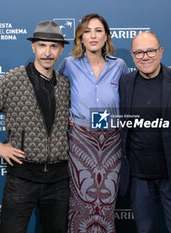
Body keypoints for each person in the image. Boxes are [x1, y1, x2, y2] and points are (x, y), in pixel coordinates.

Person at [0, 21, 71, 233]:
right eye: (42, 45)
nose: (48, 52)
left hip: (58, 180)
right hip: (22, 178)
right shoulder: (14, 79)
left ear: (61, 49)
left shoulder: (64, 84)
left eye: (53, 46)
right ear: (33, 47)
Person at [119, 31, 171, 233]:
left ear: (161, 52)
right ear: (132, 55)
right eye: (139, 52)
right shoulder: (125, 82)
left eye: (150, 51)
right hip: (138, 177)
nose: (145, 56)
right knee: (145, 230)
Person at [57, 13, 129, 233]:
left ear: (107, 36)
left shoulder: (120, 66)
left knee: (107, 202)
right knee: (80, 200)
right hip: (80, 140)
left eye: (98, 30)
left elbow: (131, 95)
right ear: (80, 38)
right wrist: (63, 114)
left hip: (111, 143)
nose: (93, 36)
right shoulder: (69, 64)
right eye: (87, 31)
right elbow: (55, 90)